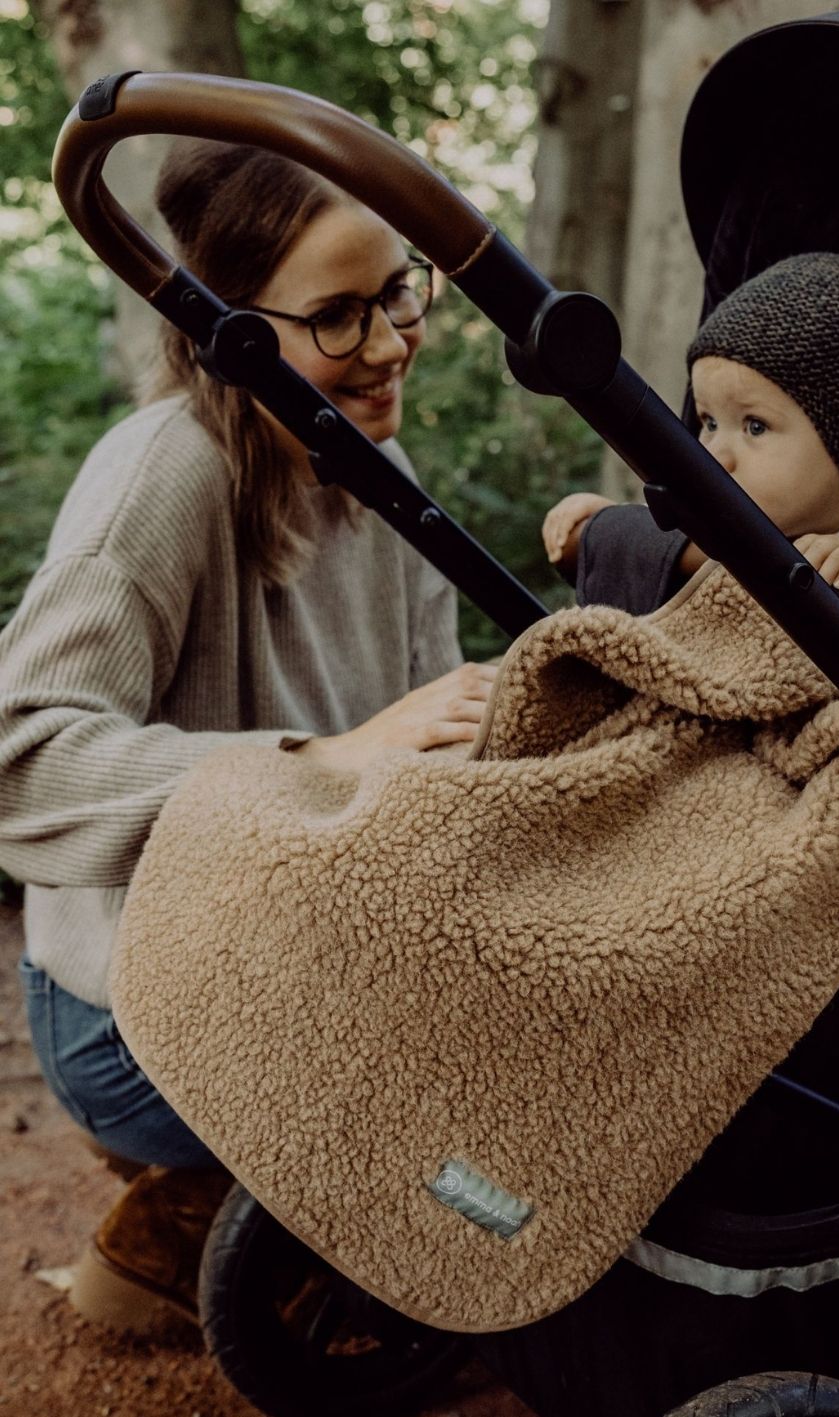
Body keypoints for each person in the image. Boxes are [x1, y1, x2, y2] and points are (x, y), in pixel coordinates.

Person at [0, 139, 497, 1335]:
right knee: (465, 1115)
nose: (386, 342)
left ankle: (196, 1214)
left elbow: (426, 736)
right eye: (334, 315)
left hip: (294, 951)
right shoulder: (163, 476)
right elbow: (20, 760)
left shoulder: (371, 458)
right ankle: (202, 1225)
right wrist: (321, 761)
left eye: (395, 290)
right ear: (231, 327)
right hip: (133, 1010)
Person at [543, 249, 839, 638]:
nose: (715, 454)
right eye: (709, 422)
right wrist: (613, 525)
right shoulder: (728, 537)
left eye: (755, 427)